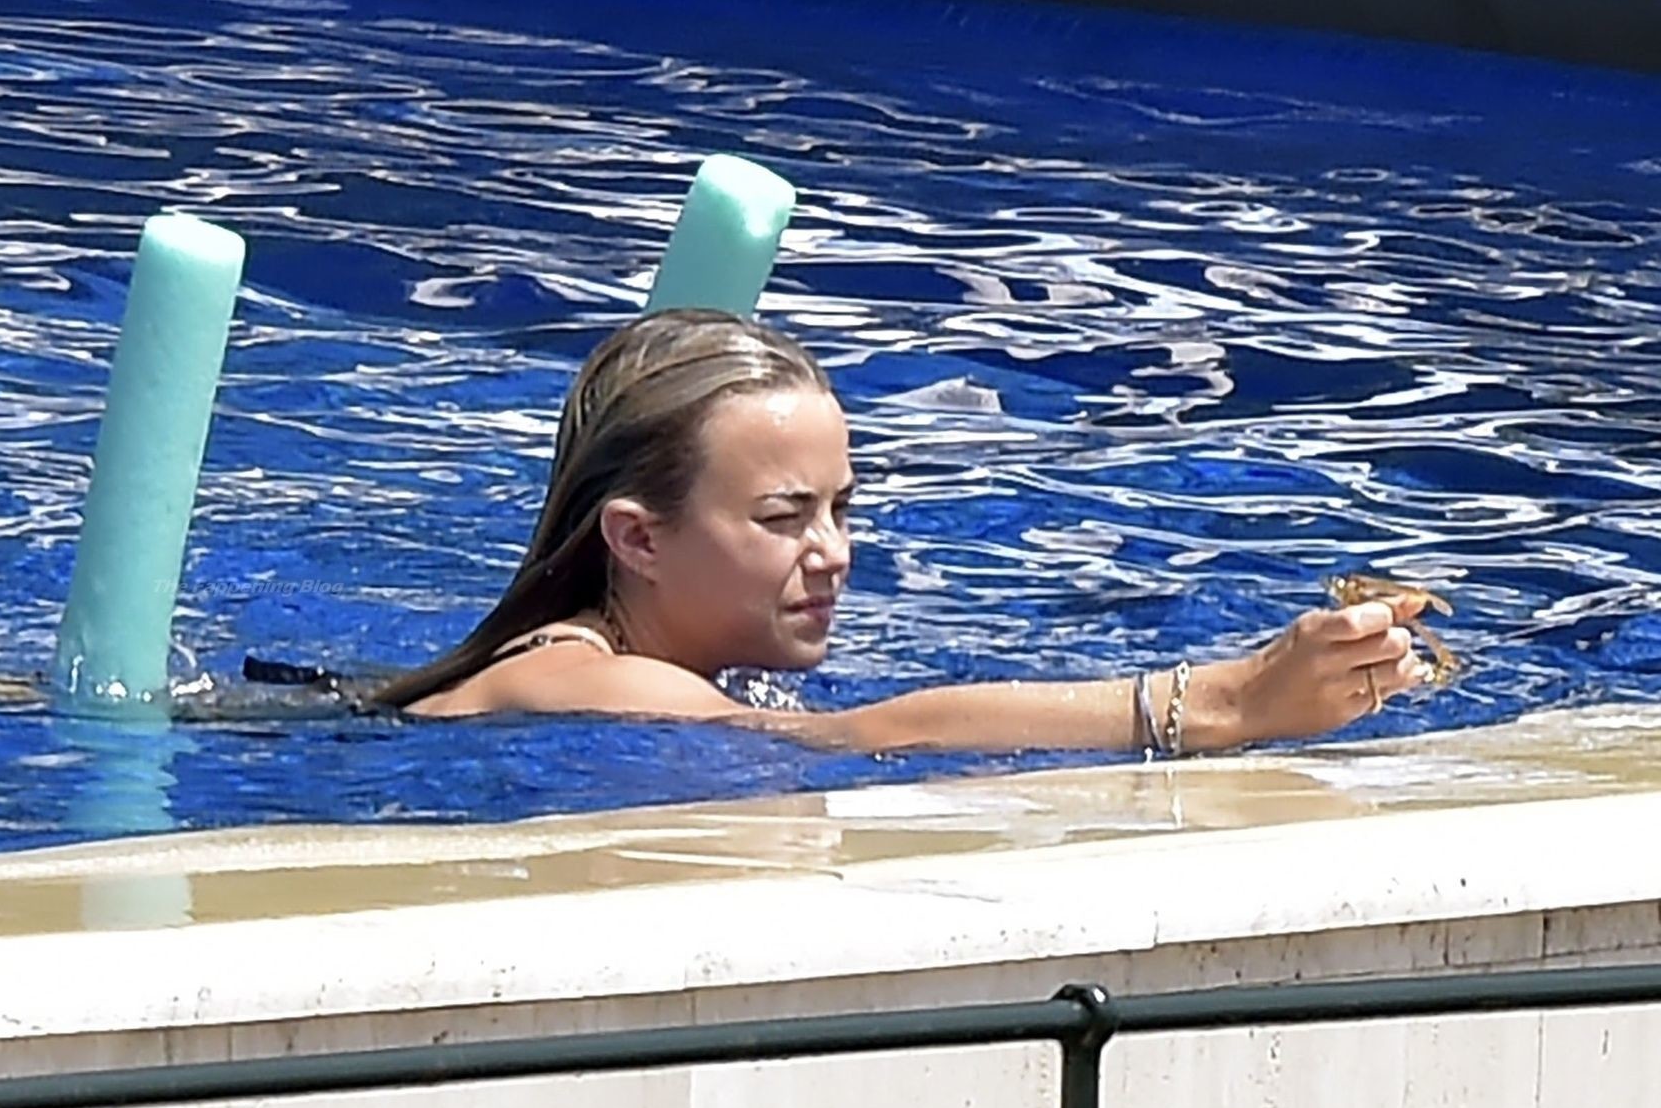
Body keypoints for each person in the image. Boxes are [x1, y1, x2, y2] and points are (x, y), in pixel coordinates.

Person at [345, 308, 1434, 754]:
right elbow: (852, 738)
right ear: (637, 539)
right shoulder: (579, 679)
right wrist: (1225, 701)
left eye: (841, 507)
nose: (834, 551)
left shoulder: (671, 662)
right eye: (783, 517)